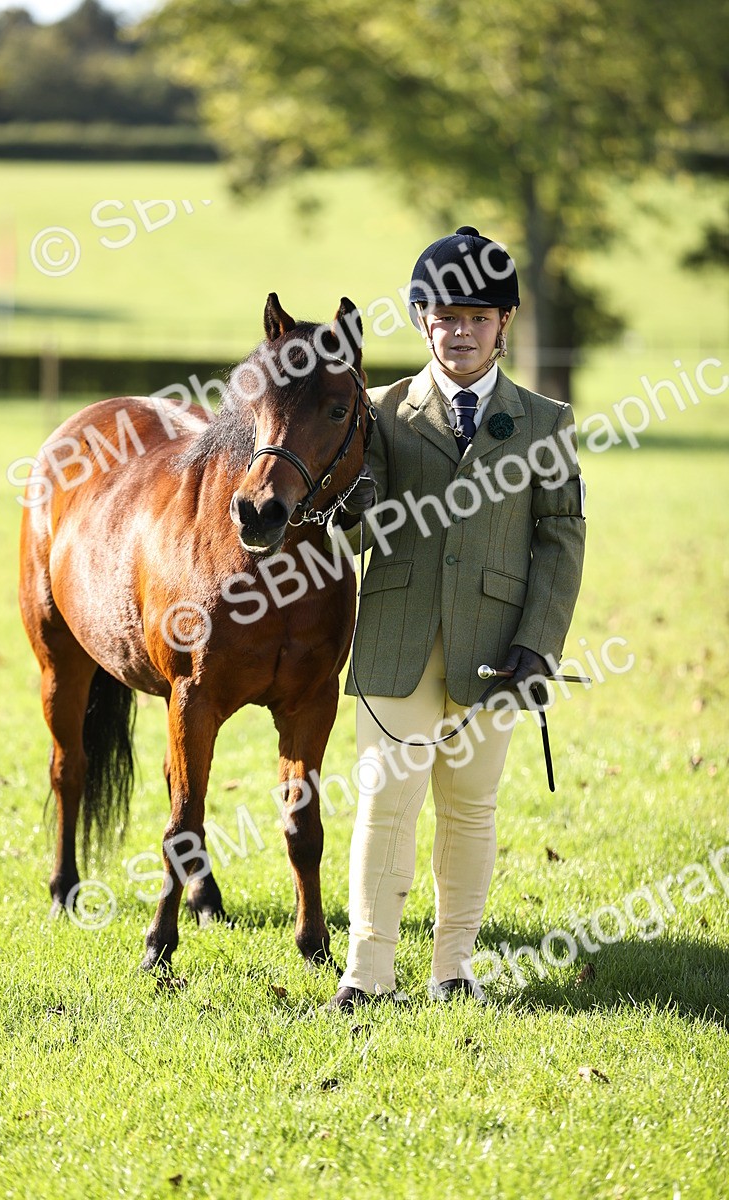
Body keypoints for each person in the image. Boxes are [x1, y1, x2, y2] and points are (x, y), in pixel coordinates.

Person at [326, 226, 586, 1009]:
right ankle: (367, 975)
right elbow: (357, 526)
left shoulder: (545, 420)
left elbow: (561, 535)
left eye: (479, 317)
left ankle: (454, 969)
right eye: (446, 316)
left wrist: (538, 645)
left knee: (469, 809)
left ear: (504, 323)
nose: (462, 331)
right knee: (386, 802)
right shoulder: (382, 411)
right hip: (397, 641)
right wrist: (352, 503)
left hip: (496, 649)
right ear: (422, 320)